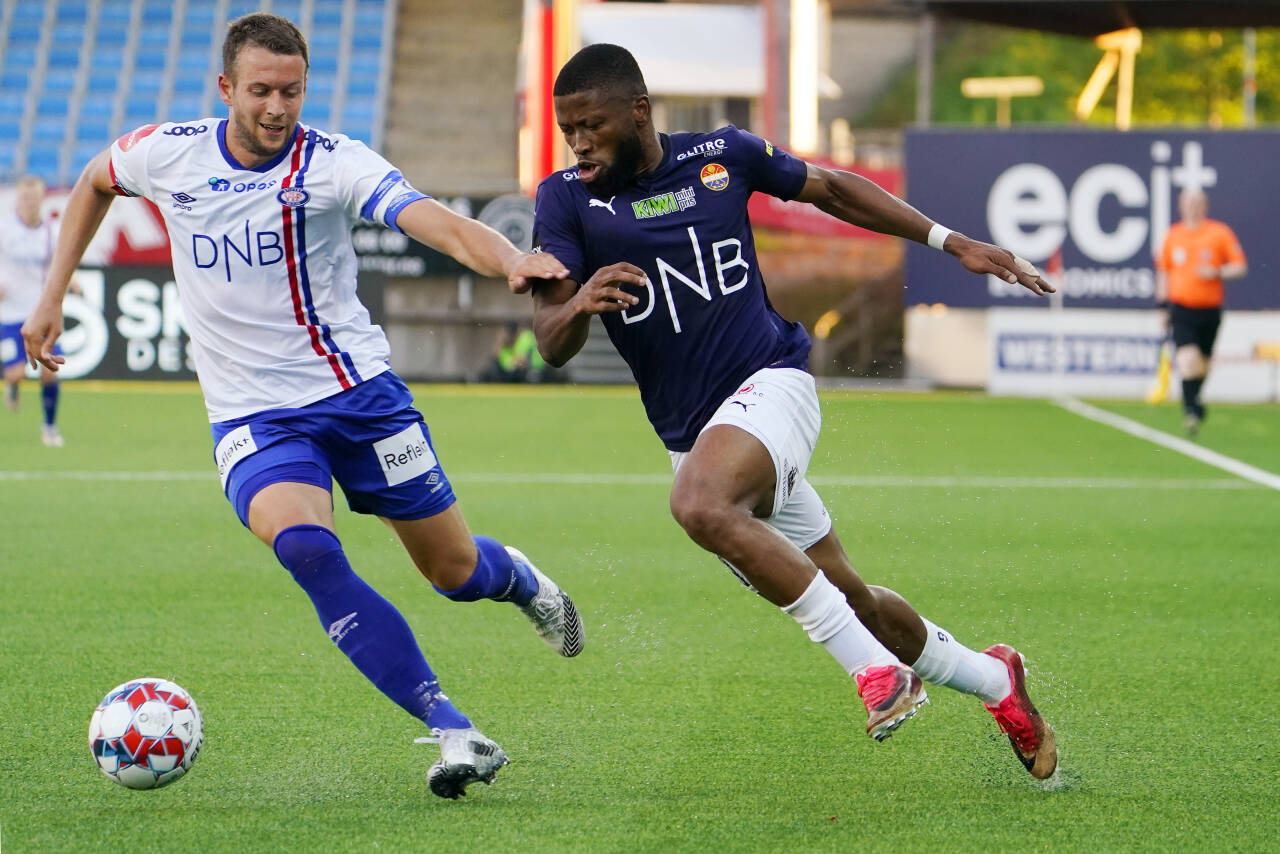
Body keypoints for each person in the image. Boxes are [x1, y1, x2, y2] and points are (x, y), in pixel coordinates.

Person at [23, 13, 584, 800]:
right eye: (260, 91)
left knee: (454, 571)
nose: (277, 108)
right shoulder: (166, 153)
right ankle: (453, 728)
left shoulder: (333, 164)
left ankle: (517, 580)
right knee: (308, 551)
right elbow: (92, 181)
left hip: (361, 400)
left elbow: (437, 222)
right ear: (226, 88)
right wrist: (52, 295)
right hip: (256, 419)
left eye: (291, 91)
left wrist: (510, 259)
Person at [526, 44, 1058, 778]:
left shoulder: (723, 154)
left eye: (591, 125)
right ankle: (997, 680)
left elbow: (832, 189)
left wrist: (950, 241)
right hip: (698, 436)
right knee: (852, 598)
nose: (578, 144)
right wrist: (580, 301)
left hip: (771, 384)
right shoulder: (563, 201)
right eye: (568, 130)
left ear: (639, 113)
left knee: (699, 505)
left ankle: (876, 675)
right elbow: (551, 341)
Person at [1155, 188, 1247, 436]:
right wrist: (1162, 307)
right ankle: (1191, 412)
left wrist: (1217, 272)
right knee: (1187, 361)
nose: (1193, 207)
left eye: (1197, 202)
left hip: (1210, 309)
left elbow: (1240, 267)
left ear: (1205, 206)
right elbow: (1164, 272)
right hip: (1182, 308)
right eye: (1188, 202)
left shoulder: (1219, 232)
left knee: (1202, 365)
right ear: (1180, 206)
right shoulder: (1173, 235)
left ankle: (1195, 400)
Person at [0, 175, 71, 446]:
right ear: (18, 199)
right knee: (15, 373)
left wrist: (71, 282)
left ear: (43, 199)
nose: (30, 202)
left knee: (49, 371)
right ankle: (13, 385)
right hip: (9, 312)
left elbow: (60, 264)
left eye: (34, 197)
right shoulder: (5, 229)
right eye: (25, 197)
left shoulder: (52, 231)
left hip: (40, 312)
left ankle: (50, 427)